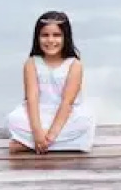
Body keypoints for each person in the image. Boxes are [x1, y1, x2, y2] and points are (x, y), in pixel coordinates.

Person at [7, 10, 96, 154]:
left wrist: (51, 136)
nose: (50, 40)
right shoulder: (32, 63)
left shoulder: (74, 64)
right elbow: (32, 98)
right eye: (45, 35)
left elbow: (67, 102)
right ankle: (56, 144)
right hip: (38, 113)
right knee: (14, 119)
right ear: (37, 37)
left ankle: (30, 145)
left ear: (65, 37)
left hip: (66, 115)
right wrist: (37, 132)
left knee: (85, 120)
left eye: (56, 35)